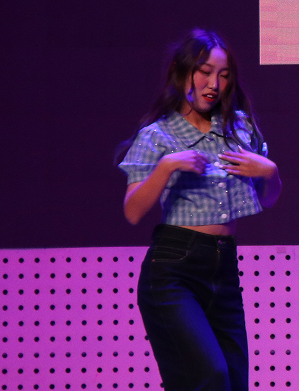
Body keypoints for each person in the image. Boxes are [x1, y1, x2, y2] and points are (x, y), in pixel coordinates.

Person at [118, 29, 281, 391]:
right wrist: (166, 167)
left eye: (223, 75)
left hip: (223, 269)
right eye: (205, 72)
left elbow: (268, 199)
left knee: (233, 383)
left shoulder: (239, 128)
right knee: (210, 376)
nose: (214, 84)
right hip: (174, 270)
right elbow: (132, 211)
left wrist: (270, 172)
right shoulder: (158, 136)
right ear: (182, 72)